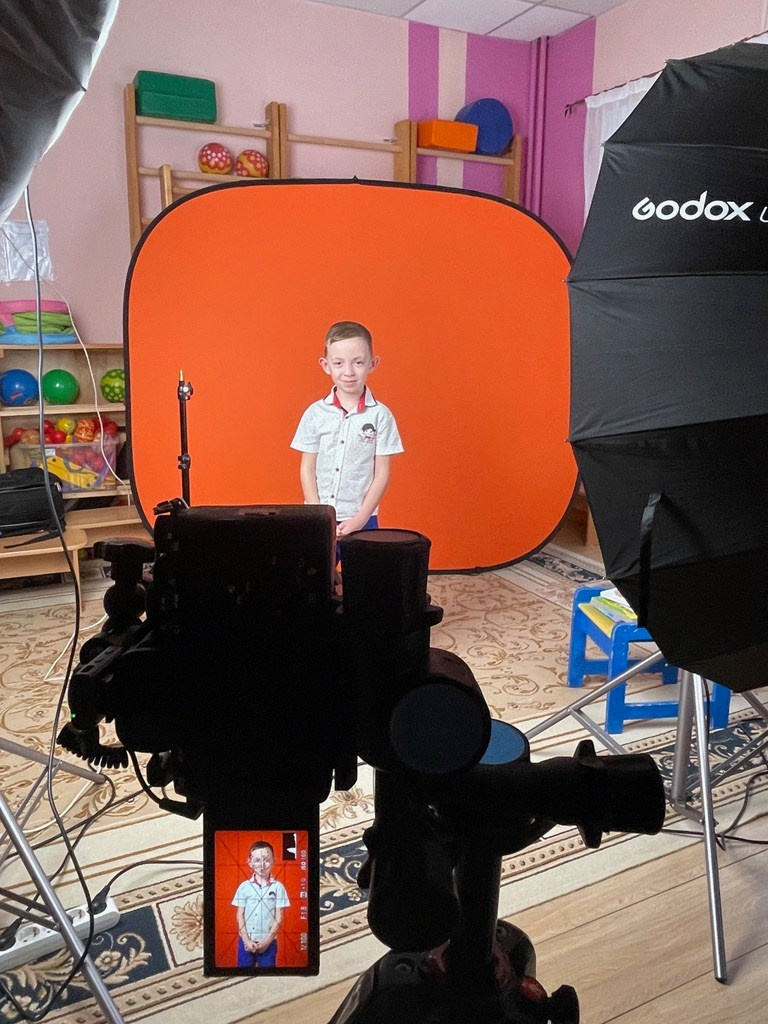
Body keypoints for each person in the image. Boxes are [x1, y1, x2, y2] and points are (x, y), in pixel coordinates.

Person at [291, 321, 403, 542]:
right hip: (320, 517)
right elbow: (307, 468)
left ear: (372, 363)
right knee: (318, 565)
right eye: (338, 363)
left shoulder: (380, 416)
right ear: (326, 365)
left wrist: (359, 519)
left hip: (363, 519)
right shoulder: (315, 413)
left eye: (358, 362)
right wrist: (319, 514)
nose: (349, 372)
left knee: (363, 565)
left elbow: (382, 473)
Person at [231, 840, 290, 968]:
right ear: (250, 862)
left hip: (269, 943)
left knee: (268, 972)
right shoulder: (244, 887)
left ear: (273, 861)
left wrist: (266, 942)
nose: (262, 865)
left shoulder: (278, 887)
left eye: (267, 860)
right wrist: (246, 940)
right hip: (245, 941)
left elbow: (279, 917)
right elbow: (240, 915)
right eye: (257, 860)